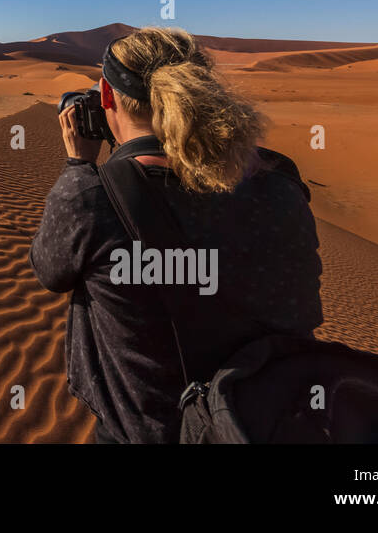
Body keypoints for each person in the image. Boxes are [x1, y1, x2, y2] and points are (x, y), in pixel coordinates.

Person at [29, 26, 323, 443]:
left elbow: (49, 269)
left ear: (106, 96)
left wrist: (79, 167)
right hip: (277, 423)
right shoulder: (280, 183)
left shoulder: (92, 199)